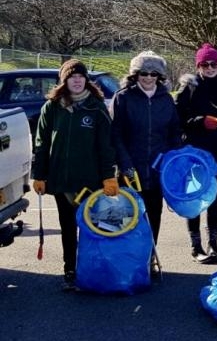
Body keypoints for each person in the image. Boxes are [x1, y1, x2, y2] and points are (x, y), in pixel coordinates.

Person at [31, 59, 118, 290]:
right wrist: (39, 174)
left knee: (91, 227)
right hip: (61, 179)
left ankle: (90, 271)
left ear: (86, 80)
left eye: (81, 76)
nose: (77, 80)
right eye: (72, 77)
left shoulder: (96, 107)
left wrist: (109, 176)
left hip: (90, 180)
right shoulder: (52, 107)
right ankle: (70, 270)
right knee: (67, 226)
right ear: (64, 81)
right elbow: (41, 143)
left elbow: (106, 146)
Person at [175, 44, 217, 262]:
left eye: (213, 63)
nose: (210, 68)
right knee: (195, 197)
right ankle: (196, 246)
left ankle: (213, 244)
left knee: (213, 198)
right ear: (198, 66)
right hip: (195, 152)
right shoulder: (189, 88)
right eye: (205, 64)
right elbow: (178, 121)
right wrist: (200, 122)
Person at [111, 51, 181, 248]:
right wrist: (125, 164)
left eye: (153, 74)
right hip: (131, 170)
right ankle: (130, 260)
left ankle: (150, 256)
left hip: (158, 169)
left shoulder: (166, 99)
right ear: (135, 75)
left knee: (153, 214)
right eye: (144, 73)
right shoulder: (123, 98)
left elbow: (174, 131)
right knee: (130, 217)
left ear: (159, 76)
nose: (148, 77)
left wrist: (172, 158)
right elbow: (116, 134)